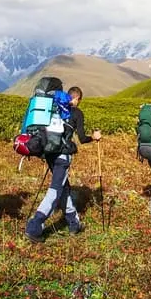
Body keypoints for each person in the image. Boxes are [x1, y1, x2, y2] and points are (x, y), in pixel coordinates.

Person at [25, 85, 100, 242]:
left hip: (50, 154)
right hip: (63, 156)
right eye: (79, 100)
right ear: (77, 98)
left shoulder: (55, 109)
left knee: (64, 188)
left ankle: (74, 223)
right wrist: (94, 137)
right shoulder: (77, 113)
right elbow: (81, 138)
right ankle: (35, 226)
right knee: (55, 191)